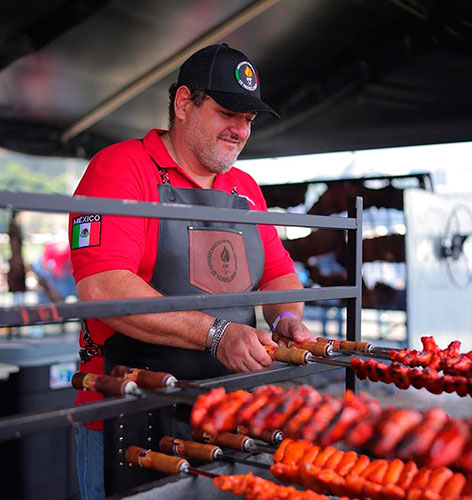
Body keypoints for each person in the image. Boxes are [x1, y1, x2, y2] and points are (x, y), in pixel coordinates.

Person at [69, 43, 315, 499]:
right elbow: (104, 286)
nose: (240, 130)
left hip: (228, 410)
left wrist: (285, 318)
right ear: (184, 103)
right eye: (228, 113)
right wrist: (217, 334)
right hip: (132, 413)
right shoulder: (120, 169)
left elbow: (279, 273)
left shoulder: (244, 188)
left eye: (249, 119)